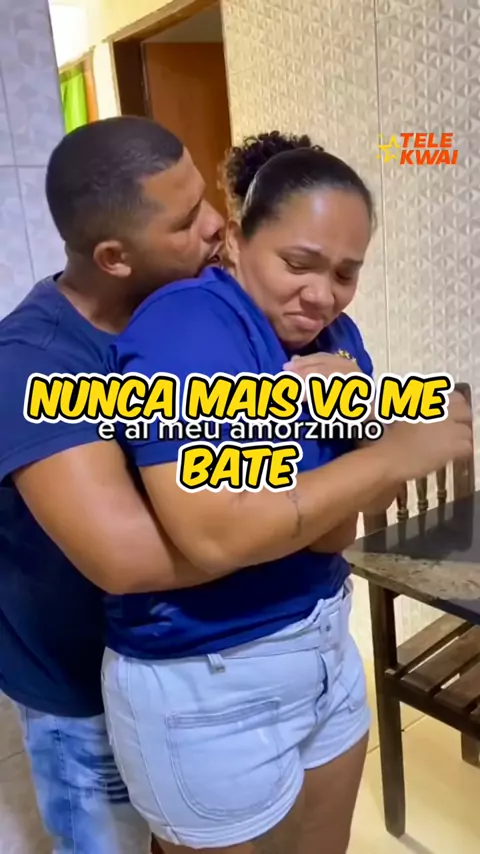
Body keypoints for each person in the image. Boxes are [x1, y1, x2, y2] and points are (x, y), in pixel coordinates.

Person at [100, 134, 472, 854]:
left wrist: (319, 457)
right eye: (298, 263)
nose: (322, 294)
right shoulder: (185, 325)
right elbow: (215, 536)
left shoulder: (339, 337)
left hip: (324, 637)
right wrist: (389, 452)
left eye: (346, 273)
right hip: (207, 672)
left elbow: (333, 533)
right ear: (238, 238)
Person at [0, 116, 224, 854]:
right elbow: (126, 559)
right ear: (113, 257)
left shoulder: (189, 309)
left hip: (188, 660)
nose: (216, 225)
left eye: (206, 198)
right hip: (81, 689)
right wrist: (303, 521)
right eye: (186, 221)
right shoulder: (35, 362)